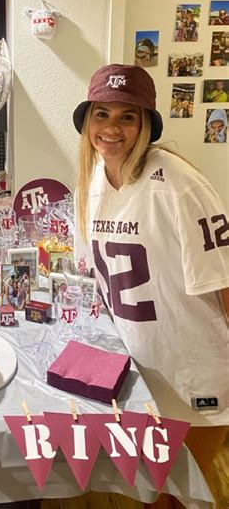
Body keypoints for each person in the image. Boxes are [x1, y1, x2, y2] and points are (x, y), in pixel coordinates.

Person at [72, 64, 228, 508]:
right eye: (102, 114)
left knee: (177, 496)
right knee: (151, 490)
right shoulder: (92, 180)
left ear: (146, 124)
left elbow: (224, 280)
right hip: (143, 366)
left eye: (128, 116)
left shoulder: (178, 183)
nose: (112, 128)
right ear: (87, 121)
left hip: (194, 366)